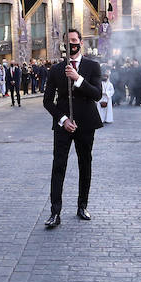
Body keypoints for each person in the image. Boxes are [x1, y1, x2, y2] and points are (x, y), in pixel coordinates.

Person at [43, 28, 103, 228]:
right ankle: (55, 212)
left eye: (75, 40)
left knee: (85, 164)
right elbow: (47, 101)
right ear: (64, 45)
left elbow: (97, 94)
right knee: (58, 166)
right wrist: (63, 119)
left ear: (81, 42)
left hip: (86, 124)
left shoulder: (93, 66)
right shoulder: (55, 70)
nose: (72, 44)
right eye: (68, 41)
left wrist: (78, 79)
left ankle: (82, 206)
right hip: (63, 126)